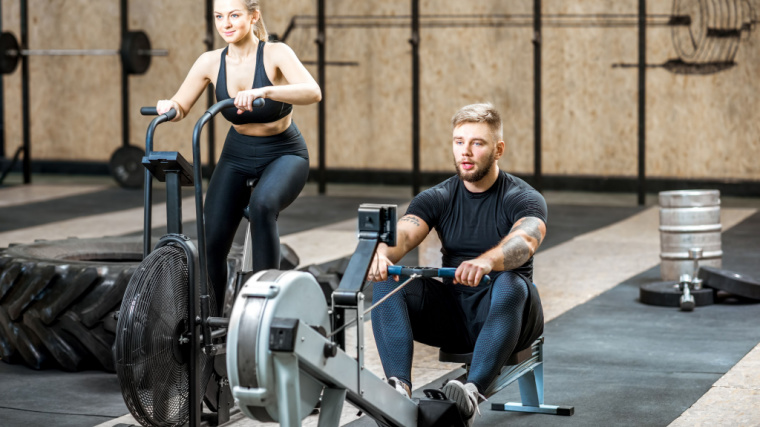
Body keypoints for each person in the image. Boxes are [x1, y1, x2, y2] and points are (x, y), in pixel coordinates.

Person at [367, 103, 546, 425]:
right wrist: (380, 253)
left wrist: (487, 262)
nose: (466, 151)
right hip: (454, 317)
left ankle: (471, 393)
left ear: (498, 149)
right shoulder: (437, 197)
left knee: (510, 282)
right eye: (459, 141)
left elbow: (527, 240)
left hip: (511, 316)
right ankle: (399, 390)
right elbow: (404, 236)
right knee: (385, 284)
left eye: (477, 143)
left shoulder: (522, 197)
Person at [156, 0, 321, 309]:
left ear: (253, 16)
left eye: (234, 15)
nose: (226, 24)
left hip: (284, 153)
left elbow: (313, 91)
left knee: (262, 206)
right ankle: (213, 322)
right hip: (237, 154)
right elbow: (181, 105)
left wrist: (265, 91)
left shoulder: (275, 53)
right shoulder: (210, 61)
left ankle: (264, 308)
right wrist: (170, 107)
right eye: (219, 16)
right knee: (213, 238)